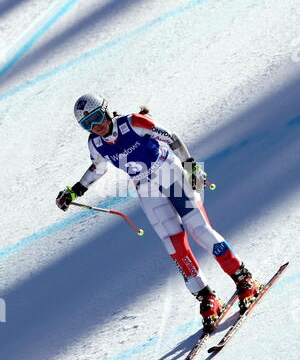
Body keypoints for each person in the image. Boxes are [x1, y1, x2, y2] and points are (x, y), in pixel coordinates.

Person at [56, 93, 259, 332]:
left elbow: (172, 138)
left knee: (199, 229)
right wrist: (75, 191)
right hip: (146, 189)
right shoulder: (95, 143)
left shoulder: (132, 122)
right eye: (87, 124)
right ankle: (206, 296)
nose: (96, 126)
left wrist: (193, 167)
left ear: (106, 110)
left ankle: (243, 277)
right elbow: (97, 168)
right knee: (173, 244)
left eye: (97, 117)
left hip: (169, 173)